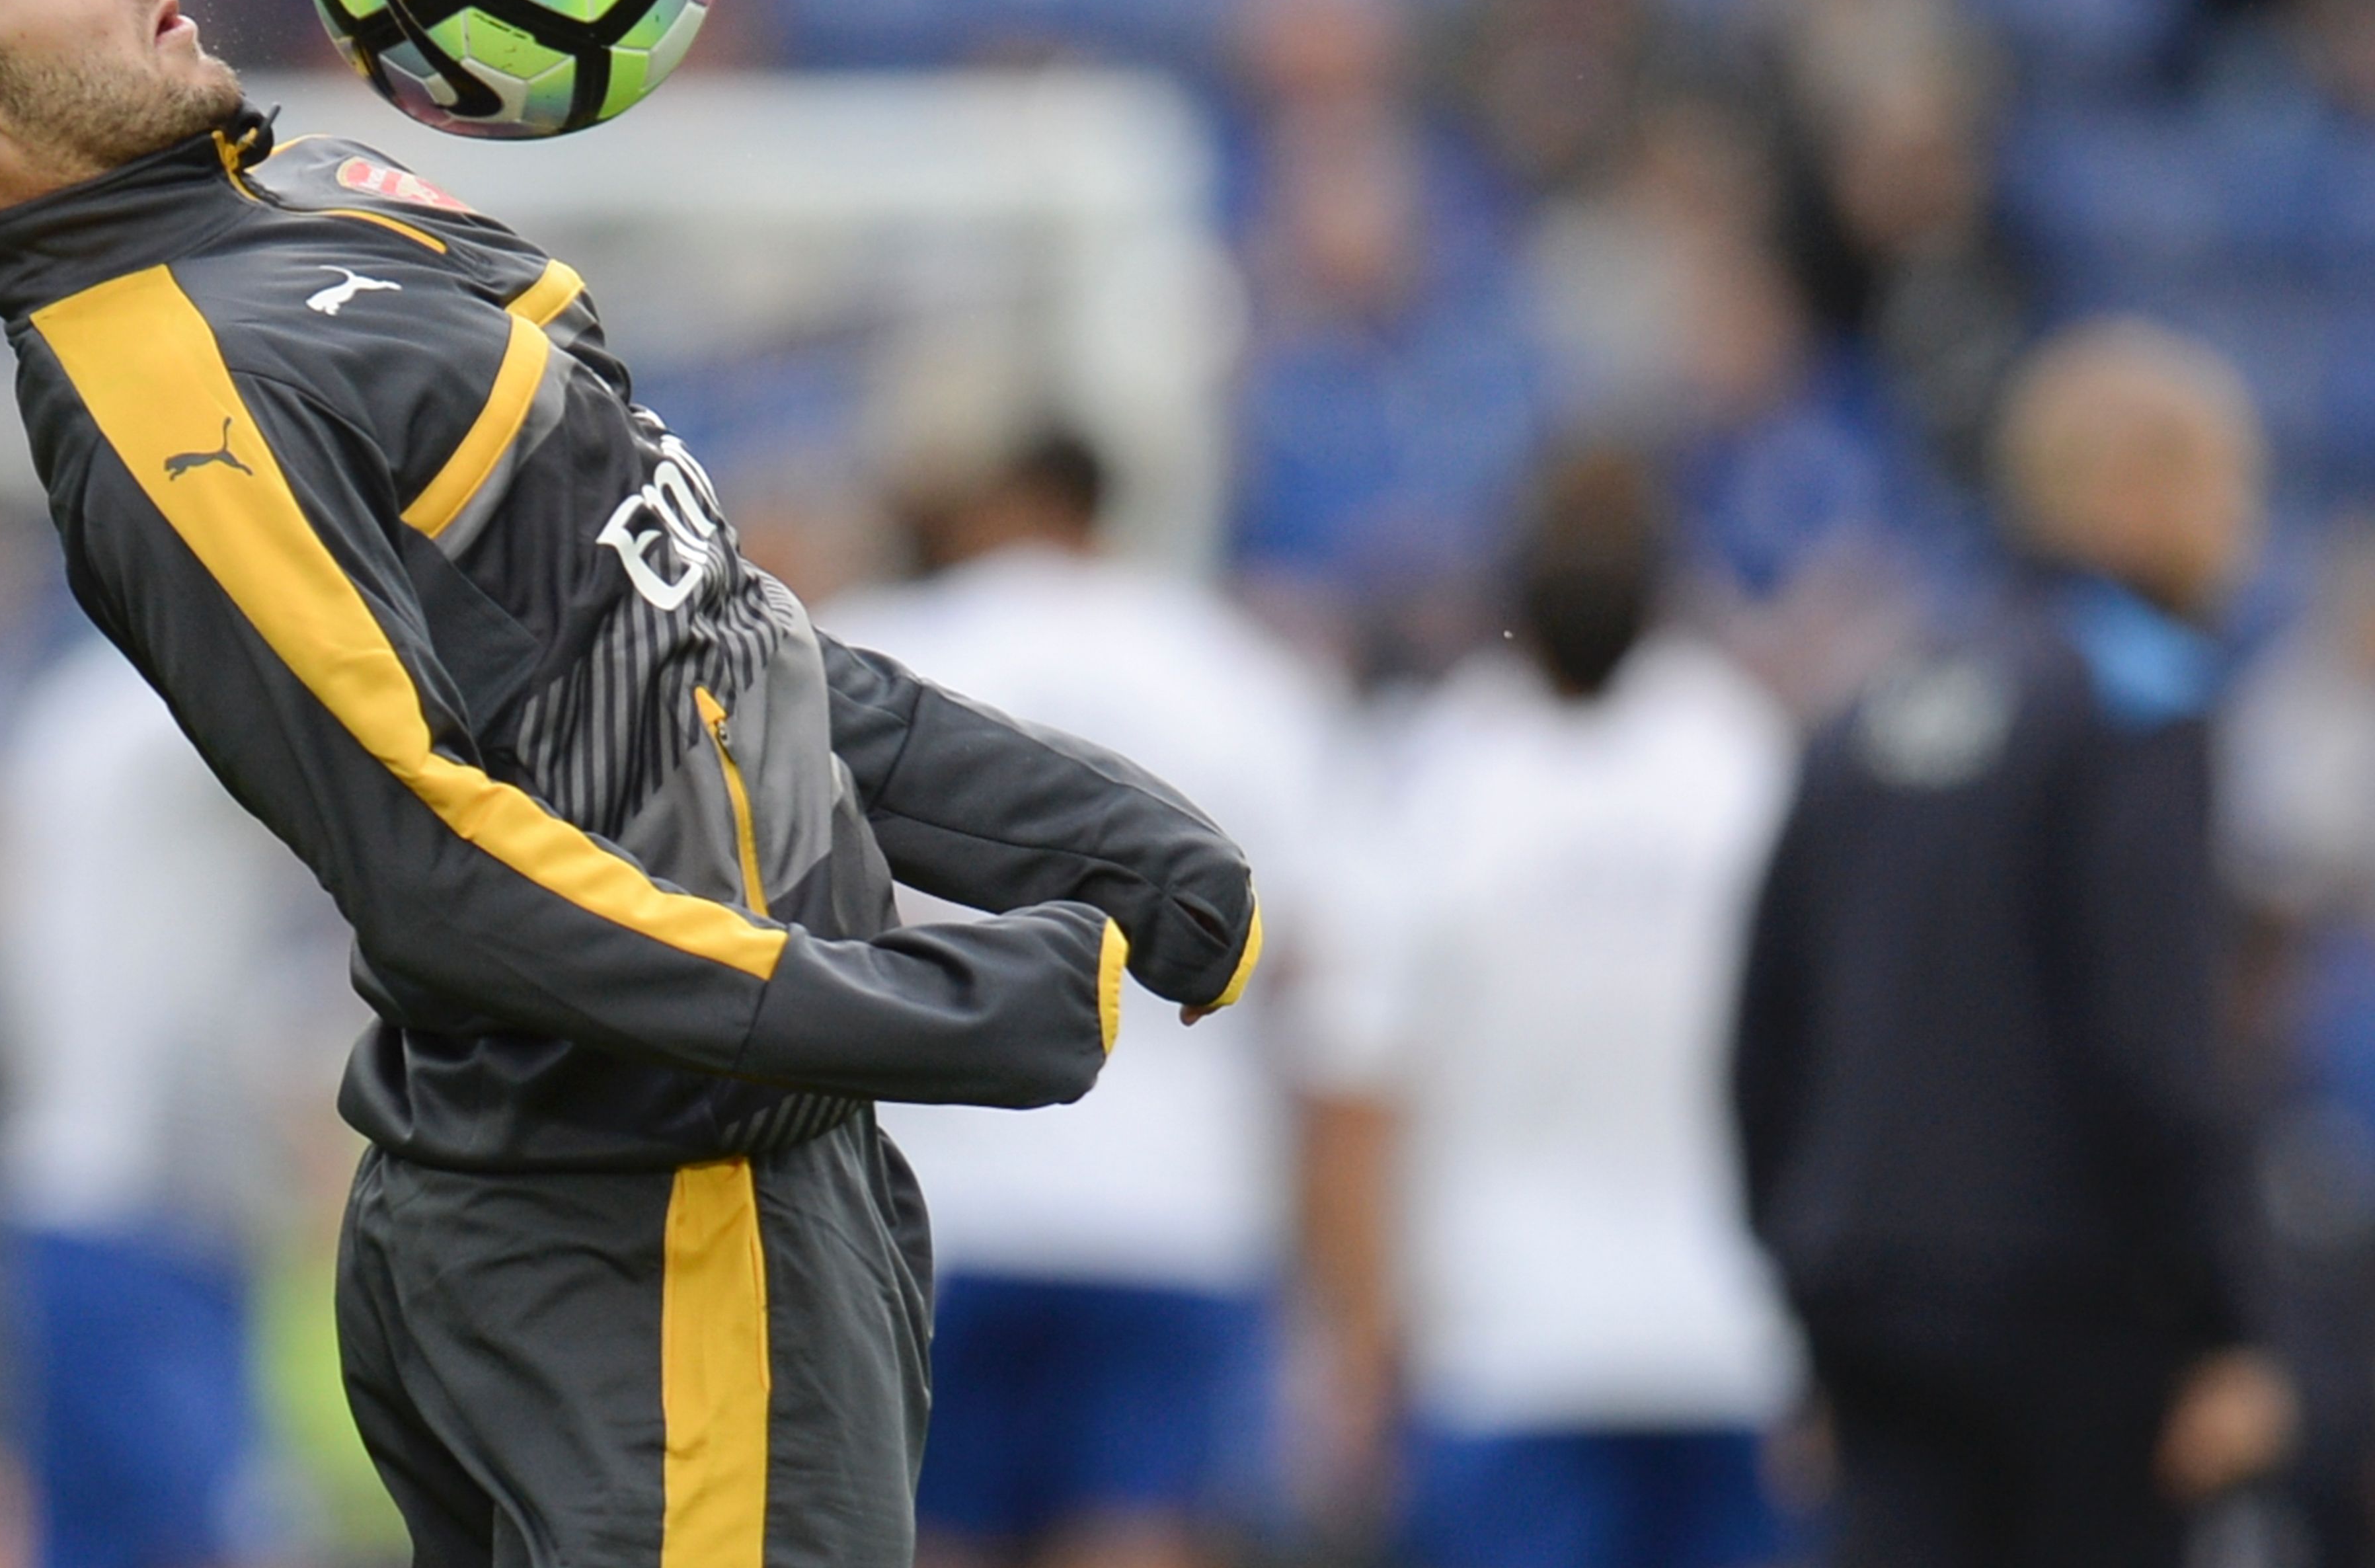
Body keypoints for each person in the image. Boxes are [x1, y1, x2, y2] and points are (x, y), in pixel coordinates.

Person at [0, 0, 1265, 1568]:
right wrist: (914, 1006)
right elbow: (432, 865)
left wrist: (1077, 829)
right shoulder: (160, 384)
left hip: (724, 1201)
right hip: (630, 1225)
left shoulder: (317, 210)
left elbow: (700, 636)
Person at [1731, 319, 2298, 1565]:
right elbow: (2156, 1045)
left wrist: (1805, 1288)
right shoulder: (2141, 697)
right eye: (2226, 487)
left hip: (1869, 1295)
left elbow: (1763, 1036)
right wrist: (2228, 1324)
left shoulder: (1874, 703)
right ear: (2133, 492)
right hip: (2075, 1318)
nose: (2245, 535)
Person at [818, 432, 1349, 1568]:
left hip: (941, 1203)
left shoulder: (889, 644)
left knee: (930, 1528)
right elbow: (1319, 986)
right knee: (1139, 1535)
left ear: (996, 501)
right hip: (1173, 1210)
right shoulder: (1238, 676)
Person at [1300, 446, 1804, 1568]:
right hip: (1723, 1340)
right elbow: (1829, 1069)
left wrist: (1360, 1346)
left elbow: (1354, 1092)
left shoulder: (1429, 774)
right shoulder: (1747, 769)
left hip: (1506, 1344)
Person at [0, 631, 337, 1568]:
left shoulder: (68, 710)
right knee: (241, 1535)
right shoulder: (165, 711)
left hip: (66, 1203)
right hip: (143, 1214)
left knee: (97, 1537)